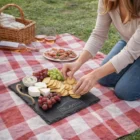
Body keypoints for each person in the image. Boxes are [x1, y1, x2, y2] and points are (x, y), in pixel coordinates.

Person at [62, 0, 140, 101]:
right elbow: (98, 35)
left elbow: (129, 54)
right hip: (130, 42)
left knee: (125, 92)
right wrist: (78, 62)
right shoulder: (107, 1)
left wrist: (93, 75)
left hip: (132, 49)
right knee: (104, 78)